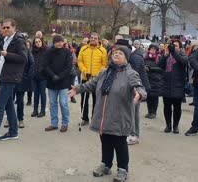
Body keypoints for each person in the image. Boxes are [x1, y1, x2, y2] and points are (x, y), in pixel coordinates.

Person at [69, 46, 146, 182]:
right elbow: (91, 84)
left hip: (119, 116)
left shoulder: (130, 73)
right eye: (115, 52)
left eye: (120, 53)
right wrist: (78, 89)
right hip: (103, 115)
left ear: (126, 58)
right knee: (105, 141)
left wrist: (139, 94)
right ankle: (106, 164)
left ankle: (123, 169)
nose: (116, 54)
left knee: (119, 143)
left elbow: (138, 87)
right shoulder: (105, 72)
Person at [78, 32, 108, 125]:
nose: (93, 39)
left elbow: (104, 64)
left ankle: (95, 119)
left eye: (95, 38)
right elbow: (80, 61)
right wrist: (84, 70)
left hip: (97, 79)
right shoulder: (83, 48)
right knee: (84, 100)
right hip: (85, 77)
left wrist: (98, 74)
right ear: (89, 38)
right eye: (92, 37)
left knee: (96, 100)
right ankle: (85, 118)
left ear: (98, 39)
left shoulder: (103, 50)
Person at [44, 35, 72, 133]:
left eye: (61, 41)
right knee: (52, 103)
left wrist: (59, 76)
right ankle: (54, 123)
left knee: (63, 103)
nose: (59, 43)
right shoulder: (49, 52)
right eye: (57, 42)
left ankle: (65, 123)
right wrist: (52, 76)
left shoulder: (67, 52)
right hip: (52, 81)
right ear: (54, 42)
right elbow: (45, 65)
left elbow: (68, 67)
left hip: (64, 82)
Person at [159, 39, 188, 134]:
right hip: (166, 84)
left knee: (177, 107)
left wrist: (174, 52)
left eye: (176, 46)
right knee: (167, 106)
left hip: (178, 84)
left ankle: (176, 125)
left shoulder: (182, 55)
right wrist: (165, 55)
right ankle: (168, 125)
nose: (173, 47)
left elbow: (183, 62)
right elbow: (159, 65)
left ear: (180, 47)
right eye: (172, 46)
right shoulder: (167, 56)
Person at [12, 42, 34, 128]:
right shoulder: (11, 50)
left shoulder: (27, 51)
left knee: (20, 100)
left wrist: (28, 76)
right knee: (10, 100)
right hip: (11, 78)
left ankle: (20, 119)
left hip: (22, 79)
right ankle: (9, 119)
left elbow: (32, 63)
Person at [144, 44, 163, 119]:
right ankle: (149, 111)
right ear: (149, 49)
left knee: (155, 97)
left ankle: (153, 112)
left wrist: (151, 69)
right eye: (151, 49)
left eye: (154, 49)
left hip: (156, 80)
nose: (153, 51)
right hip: (147, 79)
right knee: (148, 97)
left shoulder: (159, 57)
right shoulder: (145, 57)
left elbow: (161, 69)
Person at [31, 37, 47, 117]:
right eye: (36, 42)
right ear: (34, 44)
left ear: (42, 42)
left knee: (42, 94)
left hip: (43, 77)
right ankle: (35, 110)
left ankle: (43, 110)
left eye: (39, 41)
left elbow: (48, 63)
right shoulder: (32, 52)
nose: (38, 43)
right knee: (36, 94)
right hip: (34, 76)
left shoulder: (45, 51)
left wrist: (43, 70)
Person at [24, 40, 34, 106]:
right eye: (26, 45)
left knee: (29, 88)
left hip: (29, 72)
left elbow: (32, 63)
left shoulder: (31, 52)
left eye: (28, 45)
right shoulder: (23, 52)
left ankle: (29, 100)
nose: (27, 47)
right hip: (23, 72)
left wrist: (30, 73)